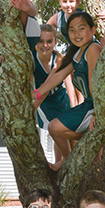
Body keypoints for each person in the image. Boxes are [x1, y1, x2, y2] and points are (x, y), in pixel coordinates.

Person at [31, 10, 101, 170]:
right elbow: (57, 76)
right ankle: (68, 159)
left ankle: (90, 141)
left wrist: (97, 113)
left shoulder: (92, 49)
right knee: (54, 127)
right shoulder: (77, 52)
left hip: (96, 105)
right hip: (88, 104)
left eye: (81, 28)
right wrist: (35, 94)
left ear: (93, 29)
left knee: (56, 128)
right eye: (72, 30)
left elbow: (95, 86)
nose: (76, 34)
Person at [32, 24, 77, 162]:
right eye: (40, 41)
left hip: (61, 98)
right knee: (58, 130)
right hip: (44, 103)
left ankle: (62, 161)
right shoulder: (31, 60)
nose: (45, 45)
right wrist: (32, 108)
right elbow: (42, 91)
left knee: (71, 134)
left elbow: (68, 82)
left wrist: (74, 105)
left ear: (55, 43)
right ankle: (65, 161)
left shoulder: (58, 59)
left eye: (49, 41)